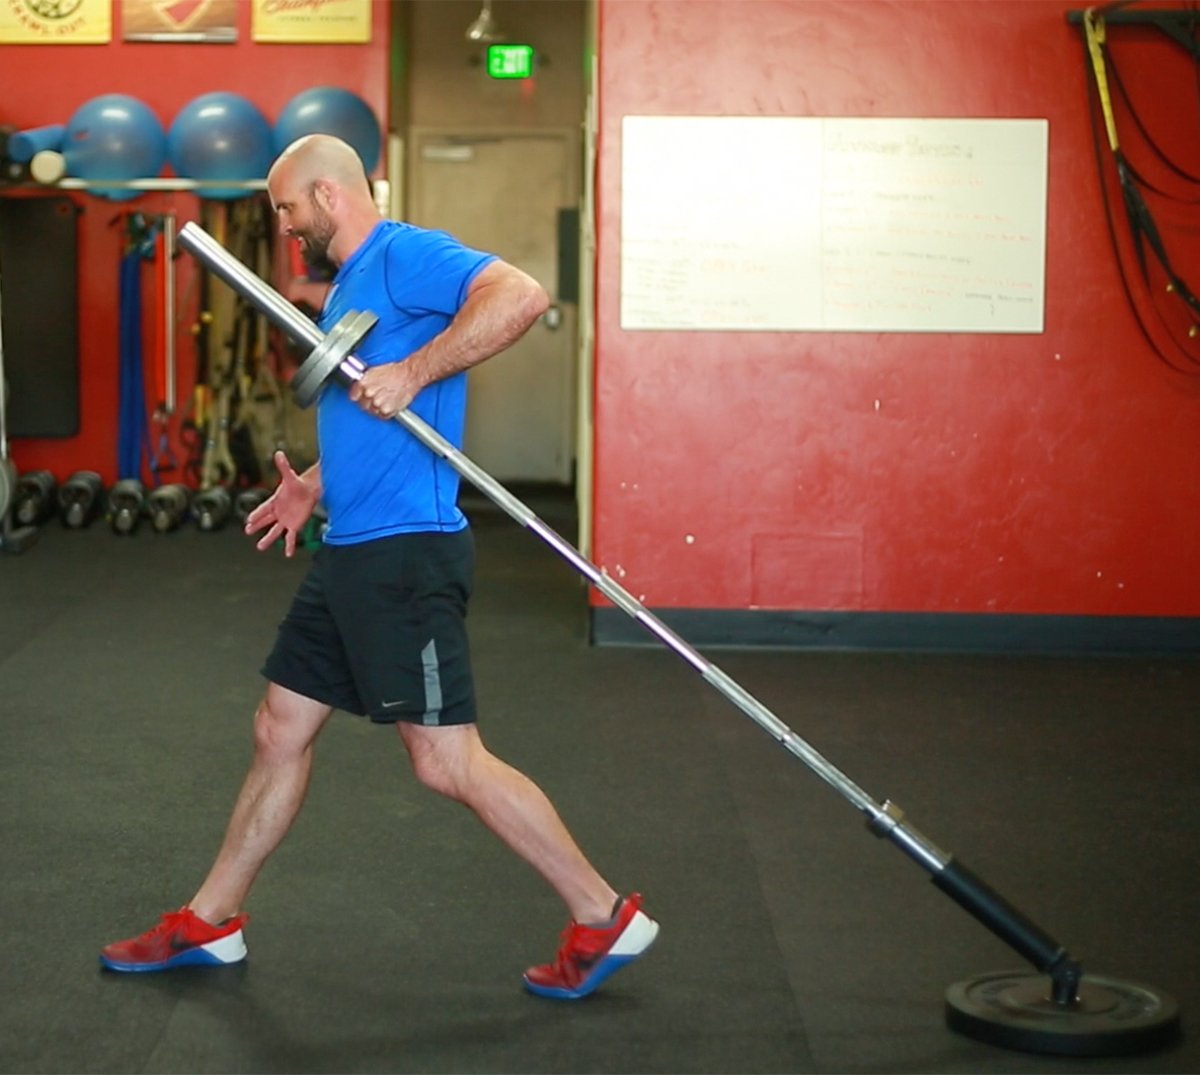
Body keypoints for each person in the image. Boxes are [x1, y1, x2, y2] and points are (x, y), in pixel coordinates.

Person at [99, 134, 658, 1001]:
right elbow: (375, 414)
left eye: (288, 210)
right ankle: (212, 922)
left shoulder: (402, 254)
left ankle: (602, 912)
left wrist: (417, 367)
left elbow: (520, 294)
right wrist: (317, 485)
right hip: (351, 547)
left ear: (328, 195)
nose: (284, 229)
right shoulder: (352, 286)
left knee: (445, 761)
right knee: (278, 728)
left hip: (406, 552)